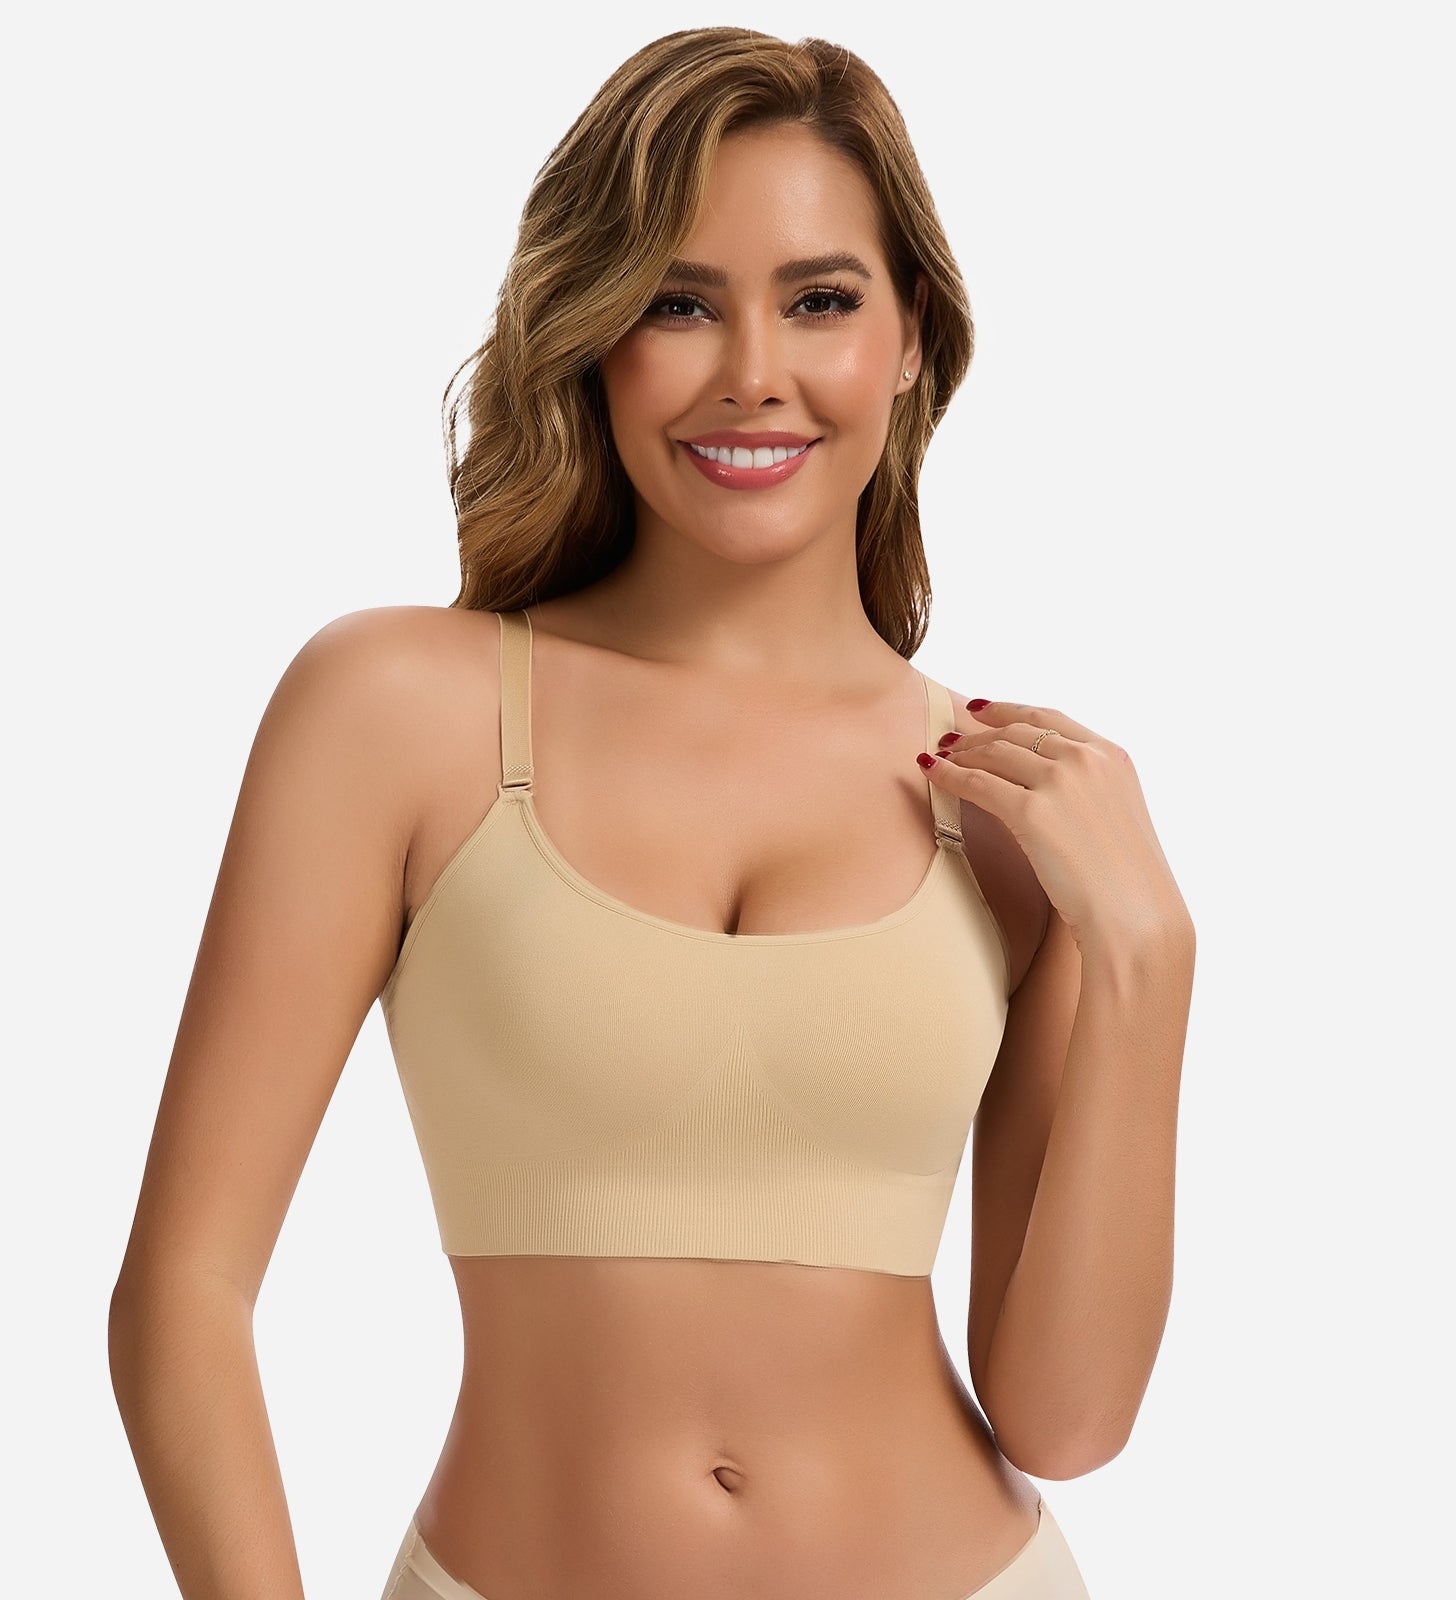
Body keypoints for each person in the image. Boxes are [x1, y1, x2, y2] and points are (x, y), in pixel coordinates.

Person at [108, 26, 1195, 1600]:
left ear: (909, 338)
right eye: (679, 303)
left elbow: (1064, 1418)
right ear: (593, 332)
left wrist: (1149, 962)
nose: (753, 369)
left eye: (820, 300)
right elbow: (185, 1294)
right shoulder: (401, 712)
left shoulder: (1018, 802)